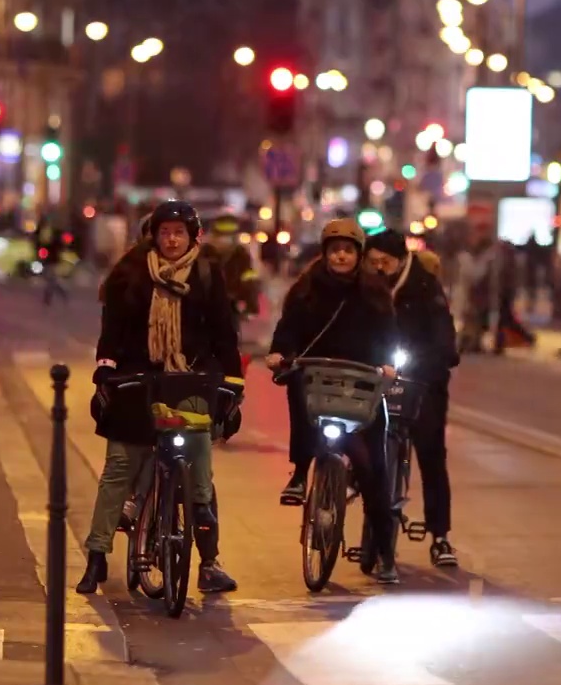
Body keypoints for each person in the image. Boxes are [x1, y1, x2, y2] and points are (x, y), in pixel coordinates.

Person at [78, 200, 243, 595]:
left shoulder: (207, 274)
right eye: (164, 232)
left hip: (191, 380)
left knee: (200, 470)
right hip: (138, 379)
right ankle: (97, 556)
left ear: (192, 236)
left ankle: (209, 562)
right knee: (120, 464)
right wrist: (106, 369)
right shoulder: (130, 273)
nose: (171, 239)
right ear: (153, 235)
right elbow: (112, 329)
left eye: (179, 232)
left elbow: (224, 332)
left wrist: (232, 383)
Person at [266, 219, 402, 584]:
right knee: (297, 387)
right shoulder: (305, 290)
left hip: (361, 387)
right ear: (325, 253)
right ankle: (298, 473)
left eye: (348, 250)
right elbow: (287, 330)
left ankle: (386, 553)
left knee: (373, 470)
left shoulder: (374, 293)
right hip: (317, 380)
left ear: (358, 255)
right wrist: (280, 354)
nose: (341, 255)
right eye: (334, 249)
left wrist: (388, 365)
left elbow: (388, 336)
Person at [364, 230, 460, 566]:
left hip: (422, 377)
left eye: (385, 262)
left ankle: (440, 536)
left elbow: (443, 331)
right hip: (376, 374)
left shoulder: (423, 285)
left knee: (431, 452)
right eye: (372, 261)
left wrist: (441, 357)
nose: (378, 268)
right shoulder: (364, 283)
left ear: (401, 260)